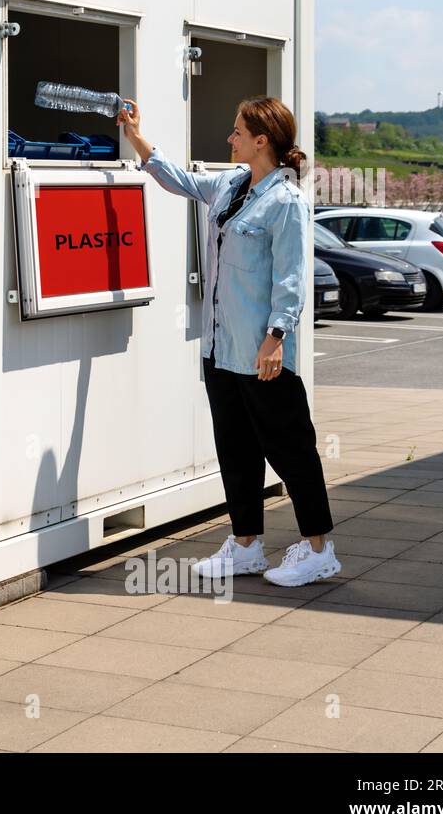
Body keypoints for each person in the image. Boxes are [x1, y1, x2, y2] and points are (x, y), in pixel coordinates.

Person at [116, 95, 340, 587]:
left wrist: (276, 337)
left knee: (291, 451)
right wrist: (135, 138)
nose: (229, 138)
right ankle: (245, 546)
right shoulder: (232, 183)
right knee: (236, 449)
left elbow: (290, 279)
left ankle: (320, 549)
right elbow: (181, 179)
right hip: (220, 347)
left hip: (262, 350)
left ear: (262, 141)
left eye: (238, 131)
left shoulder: (287, 202)